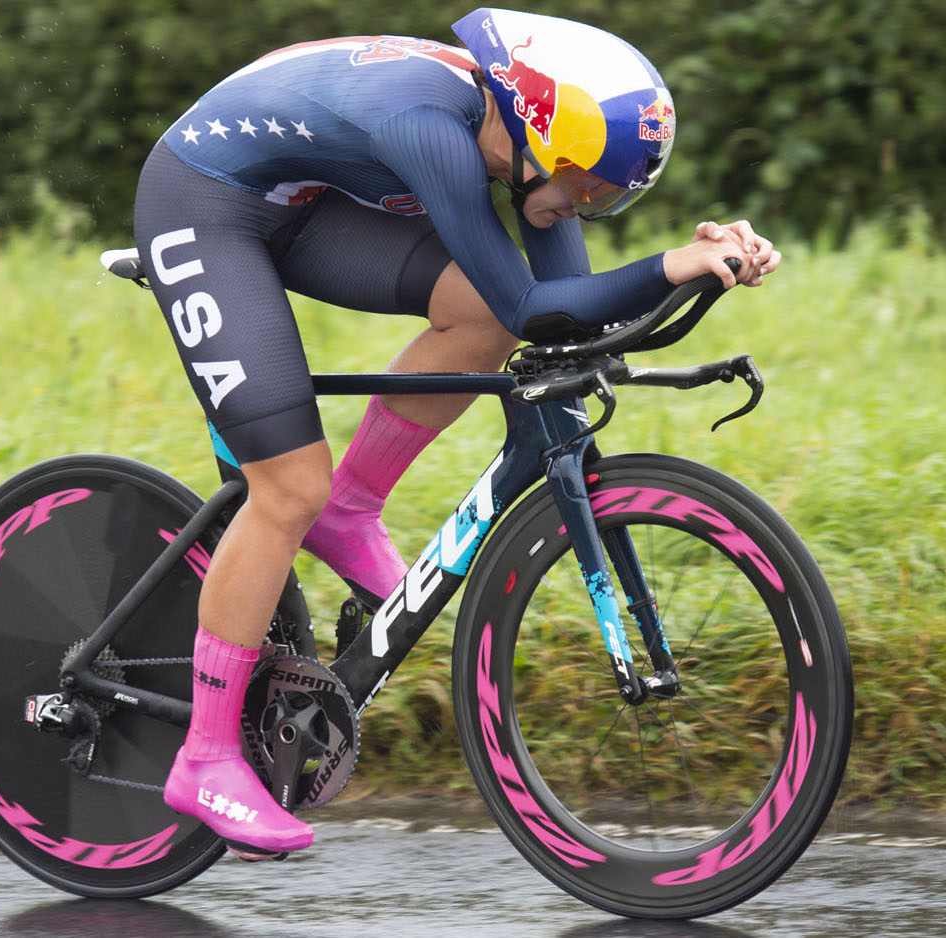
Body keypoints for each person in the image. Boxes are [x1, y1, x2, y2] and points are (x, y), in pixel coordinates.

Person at [132, 7, 782, 858]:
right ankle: (205, 756)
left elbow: (560, 325)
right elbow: (537, 304)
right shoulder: (431, 127)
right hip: (204, 200)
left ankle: (351, 511)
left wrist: (708, 266)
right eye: (587, 186)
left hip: (304, 202)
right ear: (540, 131)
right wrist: (670, 265)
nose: (585, 206)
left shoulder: (527, 142)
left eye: (609, 198)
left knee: (481, 319)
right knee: (287, 485)